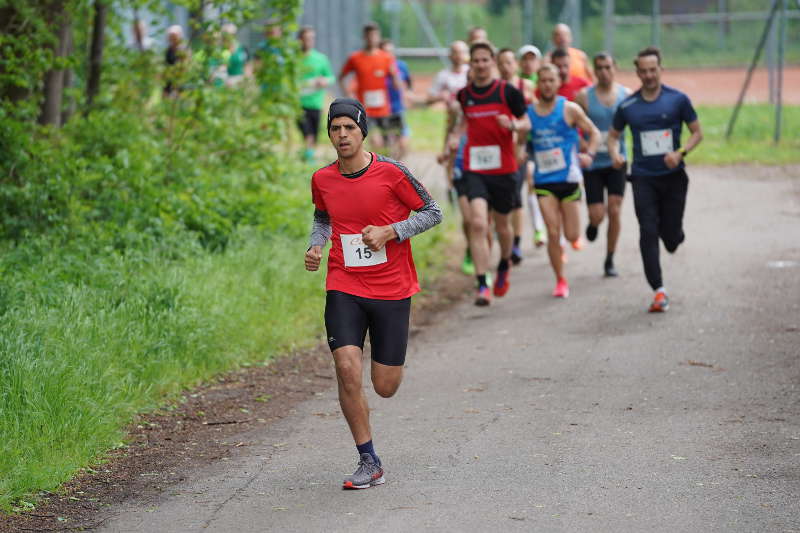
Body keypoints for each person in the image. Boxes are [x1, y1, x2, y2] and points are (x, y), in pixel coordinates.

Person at [305, 98, 442, 489]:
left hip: (392, 287)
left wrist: (391, 231)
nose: (342, 135)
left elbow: (433, 212)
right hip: (344, 283)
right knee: (347, 368)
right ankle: (368, 459)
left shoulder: (392, 172)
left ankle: (384, 375)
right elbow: (322, 216)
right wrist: (317, 244)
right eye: (335, 129)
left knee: (385, 386)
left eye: (349, 127)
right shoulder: (322, 178)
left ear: (362, 131)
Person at [608, 47, 703, 313]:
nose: (649, 75)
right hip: (643, 178)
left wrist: (680, 152)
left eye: (653, 70)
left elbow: (697, 133)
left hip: (673, 177)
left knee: (671, 238)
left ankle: (672, 234)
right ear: (637, 72)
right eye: (644, 71)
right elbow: (613, 136)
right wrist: (615, 154)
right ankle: (658, 290)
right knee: (648, 230)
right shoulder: (628, 105)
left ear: (661, 69)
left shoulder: (678, 100)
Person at [455, 42, 530, 306]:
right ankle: (482, 283)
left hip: (504, 169)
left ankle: (504, 263)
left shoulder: (508, 92)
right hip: (475, 168)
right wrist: (454, 139)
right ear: (471, 64)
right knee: (477, 223)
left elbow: (526, 123)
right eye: (476, 61)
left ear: (493, 62)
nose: (480, 65)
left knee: (502, 226)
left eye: (485, 60)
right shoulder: (464, 95)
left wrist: (512, 124)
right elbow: (463, 121)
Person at [528, 64, 600, 298]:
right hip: (543, 181)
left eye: (552, 80)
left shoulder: (570, 109)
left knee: (570, 235)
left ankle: (572, 240)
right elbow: (521, 141)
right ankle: (560, 280)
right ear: (538, 83)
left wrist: (589, 154)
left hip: (568, 180)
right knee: (552, 231)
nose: (547, 84)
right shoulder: (530, 112)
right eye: (543, 80)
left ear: (558, 82)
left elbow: (594, 132)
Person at [574, 52, 631, 277]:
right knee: (598, 214)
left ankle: (609, 259)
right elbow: (571, 124)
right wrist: (584, 145)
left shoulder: (625, 95)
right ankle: (594, 223)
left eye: (608, 67)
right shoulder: (584, 97)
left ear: (615, 68)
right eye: (599, 68)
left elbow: (636, 123)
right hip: (594, 163)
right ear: (594, 71)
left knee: (615, 210)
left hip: (617, 161)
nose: (604, 72)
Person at [339, 23, 404, 153]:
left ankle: (383, 169)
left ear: (378, 37)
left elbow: (398, 86)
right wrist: (348, 95)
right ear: (364, 37)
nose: (371, 38)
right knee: (376, 142)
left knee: (388, 147)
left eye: (374, 35)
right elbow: (341, 77)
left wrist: (394, 74)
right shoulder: (355, 58)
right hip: (365, 110)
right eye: (368, 35)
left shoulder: (386, 58)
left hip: (384, 110)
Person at [497, 48, 535, 265]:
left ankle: (516, 244)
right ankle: (505, 239)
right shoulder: (493, 88)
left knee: (517, 197)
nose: (505, 67)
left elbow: (532, 118)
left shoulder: (525, 87)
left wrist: (524, 146)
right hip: (498, 152)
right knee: (502, 201)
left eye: (509, 62)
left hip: (519, 149)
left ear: (515, 64)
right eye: (501, 63)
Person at [518, 44, 547, 248]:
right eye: (525, 59)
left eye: (532, 59)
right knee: (530, 179)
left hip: (542, 140)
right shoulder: (514, 82)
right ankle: (538, 229)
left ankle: (551, 229)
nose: (529, 63)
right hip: (523, 141)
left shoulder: (545, 80)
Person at [297, 26, 335, 161]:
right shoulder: (294, 59)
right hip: (299, 103)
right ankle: (308, 158)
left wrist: (324, 81)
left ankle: (308, 155)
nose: (308, 41)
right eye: (306, 38)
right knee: (307, 133)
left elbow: (331, 77)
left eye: (311, 38)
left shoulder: (321, 58)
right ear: (299, 40)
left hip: (316, 103)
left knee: (314, 133)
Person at [379, 39, 412, 161]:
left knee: (403, 143)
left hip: (397, 108)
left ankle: (396, 164)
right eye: (385, 52)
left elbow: (408, 83)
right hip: (381, 111)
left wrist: (407, 94)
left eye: (391, 52)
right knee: (385, 145)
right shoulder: (376, 67)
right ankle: (387, 166)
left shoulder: (401, 66)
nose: (389, 55)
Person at [163, 25, 190, 97]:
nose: (172, 38)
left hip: (181, 81)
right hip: (169, 80)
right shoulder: (168, 50)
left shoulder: (184, 49)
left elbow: (185, 67)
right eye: (170, 36)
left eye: (174, 36)